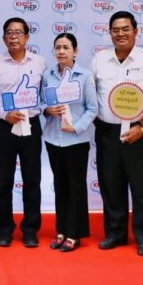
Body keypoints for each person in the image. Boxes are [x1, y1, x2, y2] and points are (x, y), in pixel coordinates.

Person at [91, 10, 143, 256]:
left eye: (125, 29)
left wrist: (142, 127)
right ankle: (115, 233)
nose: (120, 33)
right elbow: (91, 95)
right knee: (111, 185)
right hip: (108, 132)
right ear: (109, 32)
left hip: (140, 131)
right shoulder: (100, 59)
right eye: (115, 30)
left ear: (135, 31)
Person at [0, 17, 46, 248]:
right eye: (9, 32)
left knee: (32, 179)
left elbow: (45, 93)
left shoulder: (39, 62)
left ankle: (30, 230)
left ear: (27, 37)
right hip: (5, 126)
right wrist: (3, 114)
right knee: (3, 180)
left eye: (19, 32)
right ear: (3, 38)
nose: (14, 36)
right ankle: (4, 229)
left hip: (31, 125)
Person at [41, 33, 98, 252]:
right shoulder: (48, 75)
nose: (61, 51)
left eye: (66, 47)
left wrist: (76, 127)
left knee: (76, 186)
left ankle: (74, 233)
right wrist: (47, 109)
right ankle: (61, 230)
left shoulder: (84, 76)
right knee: (60, 186)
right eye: (58, 47)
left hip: (76, 140)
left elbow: (93, 108)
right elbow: (41, 102)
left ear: (75, 51)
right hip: (53, 138)